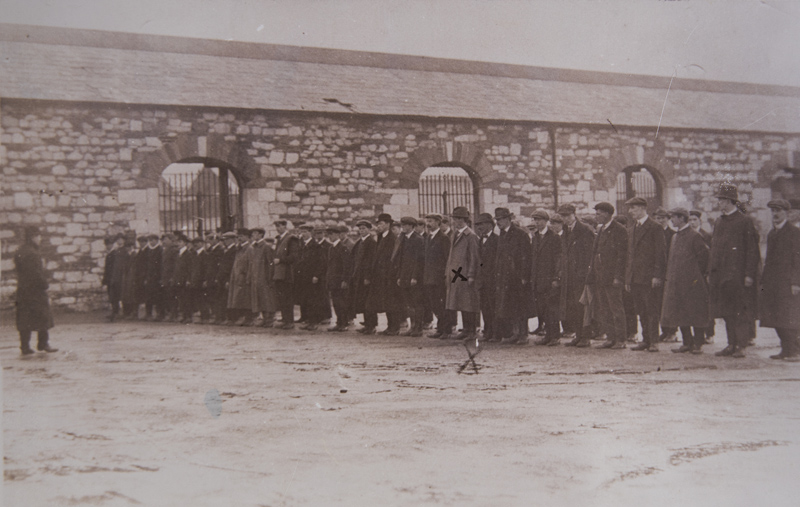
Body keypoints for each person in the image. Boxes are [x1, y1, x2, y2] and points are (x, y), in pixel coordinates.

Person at [708, 183, 761, 358]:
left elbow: (752, 250)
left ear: (731, 201)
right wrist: (712, 271)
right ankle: (731, 344)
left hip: (738, 276)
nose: (720, 203)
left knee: (740, 311)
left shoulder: (744, 221)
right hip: (721, 276)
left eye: (722, 200)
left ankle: (742, 345)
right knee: (726, 311)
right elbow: (714, 249)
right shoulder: (719, 221)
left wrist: (748, 274)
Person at [661, 208, 710, 354]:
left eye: (673, 218)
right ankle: (687, 342)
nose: (671, 221)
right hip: (677, 282)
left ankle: (698, 343)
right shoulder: (675, 237)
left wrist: (695, 275)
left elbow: (704, 257)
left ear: (681, 218)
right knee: (680, 312)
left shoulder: (695, 236)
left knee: (695, 313)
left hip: (693, 282)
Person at [759, 199, 800, 362]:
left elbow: (798, 260)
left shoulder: (794, 233)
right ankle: (785, 349)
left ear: (786, 213)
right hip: (772, 282)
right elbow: (768, 259)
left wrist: (796, 282)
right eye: (773, 211)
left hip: (788, 282)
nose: (775, 214)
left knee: (788, 316)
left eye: (779, 211)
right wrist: (763, 281)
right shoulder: (772, 233)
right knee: (775, 315)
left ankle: (792, 351)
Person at [624, 197, 666, 352]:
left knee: (651, 309)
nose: (630, 211)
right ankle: (646, 339)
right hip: (636, 277)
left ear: (642, 208)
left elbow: (659, 253)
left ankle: (654, 340)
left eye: (633, 208)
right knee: (640, 309)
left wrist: (657, 275)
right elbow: (630, 256)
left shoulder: (655, 227)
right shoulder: (632, 228)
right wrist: (628, 278)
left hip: (648, 277)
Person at [587, 202, 628, 349]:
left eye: (599, 213)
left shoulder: (619, 230)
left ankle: (621, 339)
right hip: (600, 276)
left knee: (616, 308)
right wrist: (592, 274)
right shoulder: (601, 229)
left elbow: (621, 256)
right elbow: (595, 253)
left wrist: (618, 277)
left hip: (612, 277)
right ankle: (610, 337)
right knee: (604, 308)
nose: (596, 216)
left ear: (607, 214)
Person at [14, 226, 57, 355]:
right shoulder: (33, 253)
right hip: (35, 291)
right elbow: (36, 273)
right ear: (33, 237)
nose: (40, 239)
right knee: (43, 316)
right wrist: (45, 284)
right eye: (38, 236)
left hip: (23, 290)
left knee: (24, 319)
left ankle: (25, 347)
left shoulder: (19, 251)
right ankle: (43, 344)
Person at [558, 204, 596, 348]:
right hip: (570, 275)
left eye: (567, 215)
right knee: (573, 306)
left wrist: (585, 273)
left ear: (574, 214)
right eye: (562, 216)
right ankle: (578, 335)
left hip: (581, 275)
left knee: (583, 306)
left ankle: (586, 337)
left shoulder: (584, 230)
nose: (565, 219)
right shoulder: (566, 230)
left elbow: (589, 254)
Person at [493, 207, 531, 344]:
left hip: (517, 277)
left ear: (509, 219)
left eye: (501, 219)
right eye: (497, 220)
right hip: (505, 276)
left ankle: (523, 334)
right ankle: (514, 333)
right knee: (509, 306)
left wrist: (524, 276)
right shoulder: (502, 234)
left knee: (520, 306)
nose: (498, 222)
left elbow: (526, 256)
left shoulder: (520, 234)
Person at [443, 207, 481, 341]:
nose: (457, 221)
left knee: (468, 303)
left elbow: (474, 257)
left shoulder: (470, 236)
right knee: (459, 302)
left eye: (460, 219)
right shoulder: (455, 234)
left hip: (464, 274)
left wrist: (471, 275)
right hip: (455, 274)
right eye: (455, 218)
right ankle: (465, 329)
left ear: (466, 220)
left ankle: (471, 330)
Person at [367, 213, 403, 335]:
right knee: (386, 301)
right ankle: (390, 326)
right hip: (381, 276)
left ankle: (395, 327)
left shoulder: (392, 238)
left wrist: (390, 274)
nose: (379, 226)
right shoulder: (381, 237)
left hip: (389, 275)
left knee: (392, 301)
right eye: (378, 224)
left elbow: (393, 258)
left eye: (381, 224)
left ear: (388, 224)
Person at [530, 209, 562, 346]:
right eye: (535, 220)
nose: (537, 223)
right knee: (542, 308)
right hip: (538, 279)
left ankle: (554, 336)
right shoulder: (536, 236)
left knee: (552, 309)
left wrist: (556, 278)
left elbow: (558, 259)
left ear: (546, 221)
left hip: (549, 279)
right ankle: (548, 335)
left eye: (539, 220)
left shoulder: (554, 237)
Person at [424, 213, 453, 339]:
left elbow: (447, 258)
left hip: (439, 278)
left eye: (430, 221)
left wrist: (445, 275)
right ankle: (441, 328)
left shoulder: (443, 238)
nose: (428, 224)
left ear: (438, 222)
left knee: (442, 304)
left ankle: (446, 329)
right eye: (427, 221)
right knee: (434, 304)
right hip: (429, 277)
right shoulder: (429, 237)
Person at [397, 216, 426, 336]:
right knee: (409, 303)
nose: (403, 227)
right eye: (402, 225)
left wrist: (414, 277)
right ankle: (412, 326)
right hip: (404, 275)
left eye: (405, 225)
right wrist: (399, 276)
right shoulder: (403, 238)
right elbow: (400, 259)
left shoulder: (418, 239)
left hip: (414, 277)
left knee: (417, 302)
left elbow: (419, 260)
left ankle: (418, 328)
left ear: (412, 226)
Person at [653, 207, 678, 342]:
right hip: (657, 273)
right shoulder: (654, 233)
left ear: (668, 219)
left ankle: (672, 331)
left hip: (669, 273)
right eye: (658, 218)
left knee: (670, 303)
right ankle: (664, 330)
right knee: (658, 303)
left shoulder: (673, 234)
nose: (660, 220)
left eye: (663, 218)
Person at [351, 220, 378, 334]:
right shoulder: (360, 242)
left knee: (369, 301)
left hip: (366, 277)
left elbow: (370, 261)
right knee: (362, 300)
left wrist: (367, 277)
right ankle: (367, 323)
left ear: (369, 230)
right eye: (360, 229)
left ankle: (371, 325)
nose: (361, 231)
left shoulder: (371, 242)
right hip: (359, 276)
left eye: (364, 229)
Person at [273, 219, 301, 329]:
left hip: (287, 273)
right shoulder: (280, 239)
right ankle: (285, 319)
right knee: (281, 297)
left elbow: (294, 256)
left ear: (285, 227)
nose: (277, 228)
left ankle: (289, 321)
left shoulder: (291, 239)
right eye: (276, 226)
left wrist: (281, 260)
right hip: (279, 273)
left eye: (279, 226)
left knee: (287, 297)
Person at [475, 213, 498, 342]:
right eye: (478, 225)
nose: (480, 228)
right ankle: (488, 331)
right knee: (485, 307)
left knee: (493, 306)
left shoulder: (496, 240)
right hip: (482, 280)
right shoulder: (480, 241)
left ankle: (495, 333)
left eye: (482, 224)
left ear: (490, 225)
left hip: (492, 280)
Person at [326, 225, 352, 332]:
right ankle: (339, 322)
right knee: (336, 302)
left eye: (331, 234)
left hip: (340, 280)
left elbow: (347, 265)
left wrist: (345, 280)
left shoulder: (343, 248)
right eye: (329, 235)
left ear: (337, 235)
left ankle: (344, 323)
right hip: (333, 280)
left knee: (342, 302)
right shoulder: (331, 248)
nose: (330, 237)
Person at [227, 228, 253, 326]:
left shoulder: (249, 248)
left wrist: (248, 277)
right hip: (237, 277)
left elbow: (250, 264)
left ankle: (248, 318)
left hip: (244, 276)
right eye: (238, 236)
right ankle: (243, 318)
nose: (239, 238)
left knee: (246, 298)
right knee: (239, 298)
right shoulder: (239, 249)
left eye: (241, 236)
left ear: (247, 237)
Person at [214, 232, 238, 325]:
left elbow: (232, 266)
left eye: (227, 239)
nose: (225, 242)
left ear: (232, 239)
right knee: (222, 298)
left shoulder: (234, 250)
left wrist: (228, 279)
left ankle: (231, 318)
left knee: (228, 298)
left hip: (228, 277)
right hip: (222, 278)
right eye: (224, 240)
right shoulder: (226, 250)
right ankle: (223, 317)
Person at [102, 234, 126, 322]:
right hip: (110, 278)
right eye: (107, 245)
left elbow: (117, 267)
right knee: (112, 296)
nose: (108, 246)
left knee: (116, 295)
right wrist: (105, 280)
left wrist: (114, 278)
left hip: (116, 278)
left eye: (110, 244)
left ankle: (117, 312)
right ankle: (115, 311)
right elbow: (107, 268)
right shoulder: (110, 254)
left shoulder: (115, 253)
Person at [143, 234, 163, 321]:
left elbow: (161, 265)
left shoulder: (160, 250)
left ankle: (159, 314)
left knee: (158, 296)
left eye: (153, 240)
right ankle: (148, 314)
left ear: (157, 240)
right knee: (148, 296)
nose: (151, 242)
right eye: (150, 240)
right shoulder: (148, 251)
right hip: (149, 277)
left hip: (157, 277)